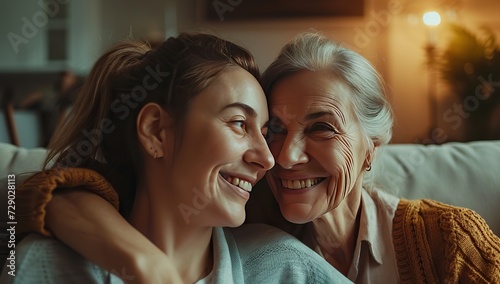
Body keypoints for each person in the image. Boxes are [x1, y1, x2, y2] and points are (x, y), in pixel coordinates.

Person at [7, 32, 500, 283]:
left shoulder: (280, 259)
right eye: (266, 128)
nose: (279, 157)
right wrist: (145, 265)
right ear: (157, 130)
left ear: (373, 145)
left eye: (322, 127)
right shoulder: (250, 212)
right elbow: (21, 194)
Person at [0, 32, 350, 284]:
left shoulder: (286, 269)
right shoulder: (46, 266)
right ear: (156, 131)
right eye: (240, 123)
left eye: (265, 130)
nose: (268, 158)